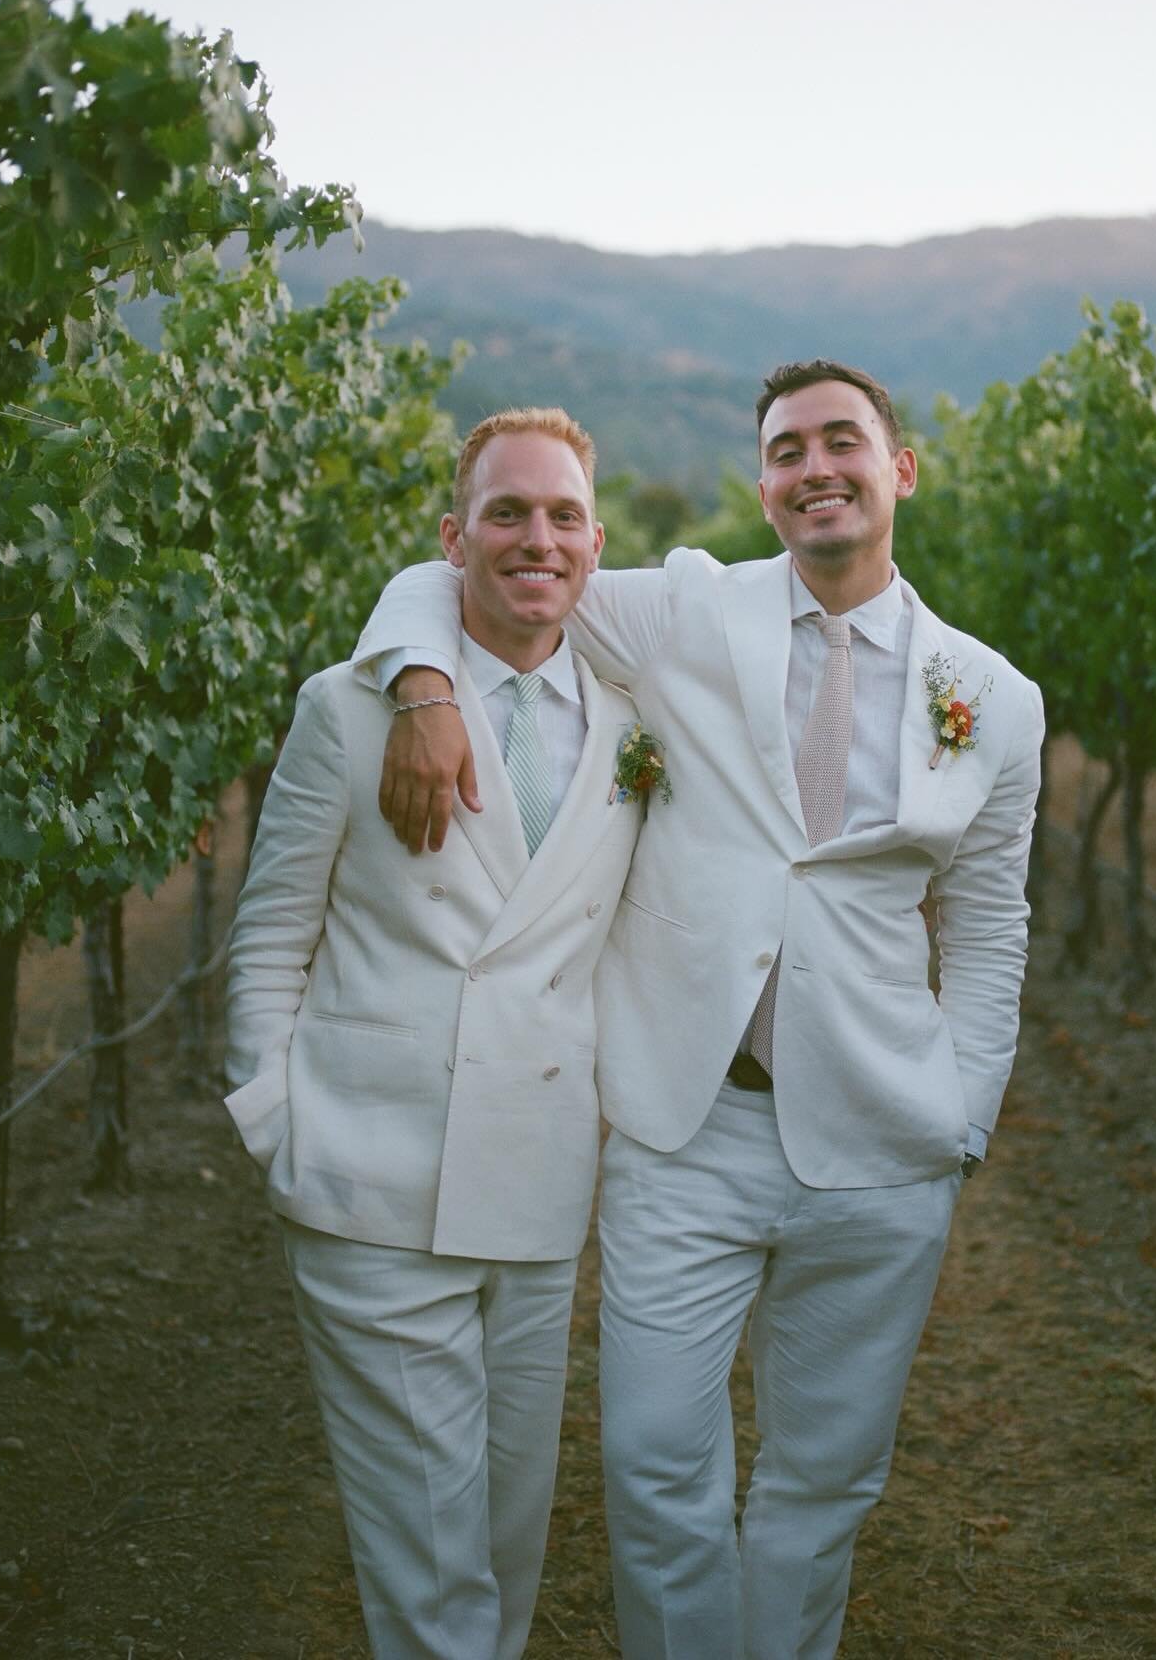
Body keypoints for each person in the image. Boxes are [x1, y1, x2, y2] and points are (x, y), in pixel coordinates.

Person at [352, 359, 1044, 1660]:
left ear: (899, 470)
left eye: (844, 441)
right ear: (767, 485)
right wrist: (423, 687)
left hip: (884, 1152)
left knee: (818, 1493)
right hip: (685, 1134)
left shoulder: (996, 700)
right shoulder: (684, 614)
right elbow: (462, 578)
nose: (815, 466)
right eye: (786, 449)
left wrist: (963, 1121)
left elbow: (994, 923)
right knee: (659, 1479)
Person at [224, 407, 647, 1660]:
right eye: (506, 512)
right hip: (368, 1181)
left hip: (535, 1177)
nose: (537, 537)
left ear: (597, 541)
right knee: (426, 1558)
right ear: (453, 538)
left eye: (563, 514)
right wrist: (275, 1120)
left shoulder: (639, 719)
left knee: (505, 1542)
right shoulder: (348, 709)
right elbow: (268, 935)